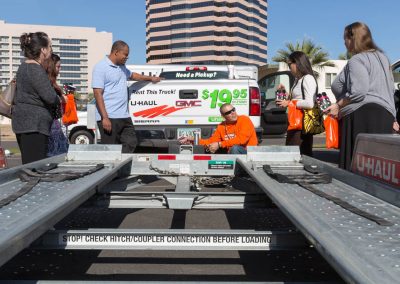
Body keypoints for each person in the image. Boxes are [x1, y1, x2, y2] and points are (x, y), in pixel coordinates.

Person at [324, 22, 397, 170]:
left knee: (356, 168)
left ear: (353, 38)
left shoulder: (357, 60)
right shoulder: (383, 59)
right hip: (384, 115)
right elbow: (389, 89)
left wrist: (338, 105)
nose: (344, 42)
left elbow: (359, 91)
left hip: (361, 116)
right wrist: (393, 117)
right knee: (378, 169)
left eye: (345, 38)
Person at [92, 40, 162, 153]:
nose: (127, 57)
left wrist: (151, 78)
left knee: (131, 142)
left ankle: (120, 165)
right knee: (110, 151)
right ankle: (113, 168)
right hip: (109, 117)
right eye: (125, 54)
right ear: (116, 52)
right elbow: (97, 93)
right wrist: (105, 118)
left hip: (124, 116)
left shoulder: (122, 67)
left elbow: (133, 75)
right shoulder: (101, 67)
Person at [12, 32, 59, 164]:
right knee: (35, 168)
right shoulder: (34, 69)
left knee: (30, 165)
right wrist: (59, 99)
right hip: (33, 125)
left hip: (26, 123)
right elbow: (50, 97)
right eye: (50, 47)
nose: (51, 50)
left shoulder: (24, 66)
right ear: (43, 50)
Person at [275, 51, 317, 156]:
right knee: (291, 154)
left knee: (300, 155)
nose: (289, 67)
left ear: (297, 63)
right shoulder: (298, 79)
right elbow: (296, 98)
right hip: (294, 123)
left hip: (302, 125)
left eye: (290, 64)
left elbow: (309, 103)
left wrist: (289, 103)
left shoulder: (308, 78)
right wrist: (285, 92)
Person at [179, 103, 258, 154]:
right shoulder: (221, 126)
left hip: (248, 154)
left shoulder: (244, 119)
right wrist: (193, 140)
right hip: (232, 154)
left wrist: (220, 144)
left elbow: (241, 140)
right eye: (228, 113)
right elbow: (210, 142)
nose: (232, 113)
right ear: (223, 116)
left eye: (233, 110)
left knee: (235, 148)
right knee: (212, 149)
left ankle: (237, 174)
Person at [43, 53, 69, 156]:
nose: (59, 69)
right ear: (51, 66)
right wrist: (61, 98)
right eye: (58, 66)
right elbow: (49, 99)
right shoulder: (47, 82)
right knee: (54, 155)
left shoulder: (52, 82)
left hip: (56, 124)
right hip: (51, 125)